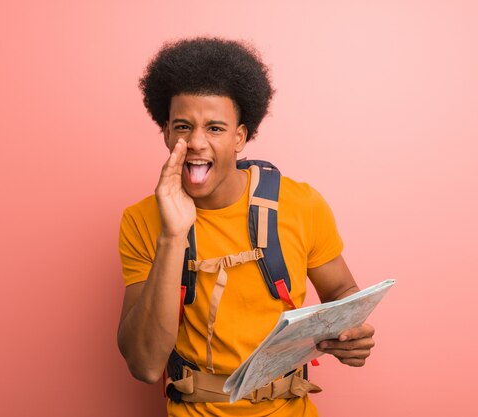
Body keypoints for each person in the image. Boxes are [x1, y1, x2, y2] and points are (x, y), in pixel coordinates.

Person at [117, 37, 375, 417]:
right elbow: (145, 365)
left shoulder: (301, 204)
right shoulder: (141, 220)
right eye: (183, 126)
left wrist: (352, 333)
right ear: (167, 133)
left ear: (240, 136)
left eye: (216, 128)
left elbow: (342, 290)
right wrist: (173, 236)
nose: (196, 143)